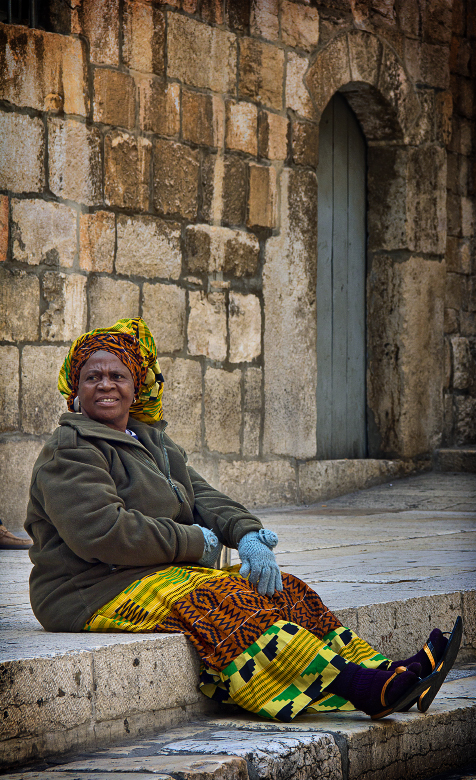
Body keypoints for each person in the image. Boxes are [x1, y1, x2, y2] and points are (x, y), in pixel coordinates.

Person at [25, 317, 462, 722]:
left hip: (152, 573)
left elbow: (203, 498)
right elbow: (102, 532)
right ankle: (363, 688)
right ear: (75, 390)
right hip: (89, 588)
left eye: (117, 376)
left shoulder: (151, 441)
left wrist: (247, 534)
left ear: (135, 386)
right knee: (220, 602)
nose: (106, 385)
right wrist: (195, 543)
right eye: (92, 377)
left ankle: (387, 671)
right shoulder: (71, 447)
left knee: (279, 587)